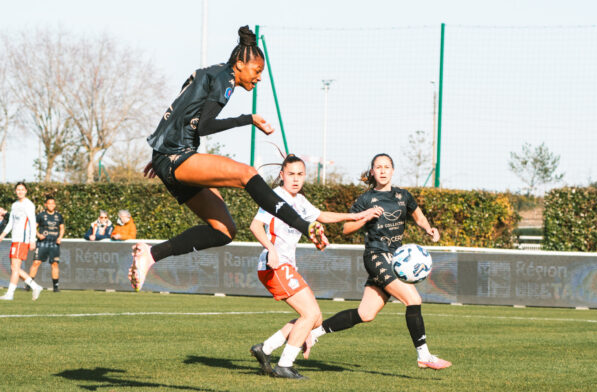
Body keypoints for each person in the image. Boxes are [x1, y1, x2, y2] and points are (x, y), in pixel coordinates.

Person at [129, 26, 327, 292]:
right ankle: (305, 225)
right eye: (256, 72)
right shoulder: (226, 81)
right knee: (246, 173)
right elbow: (204, 126)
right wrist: (249, 119)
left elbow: (181, 107)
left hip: (171, 155)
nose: (258, 79)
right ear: (240, 64)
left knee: (224, 231)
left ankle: (149, 255)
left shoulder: (215, 72)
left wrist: (161, 147)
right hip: (175, 156)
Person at [306, 154, 452, 370]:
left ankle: (312, 334)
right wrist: (365, 216)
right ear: (372, 172)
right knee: (413, 299)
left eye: (387, 167)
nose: (383, 171)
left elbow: (418, 216)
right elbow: (346, 229)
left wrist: (428, 229)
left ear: (393, 170)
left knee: (366, 314)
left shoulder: (403, 196)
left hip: (394, 259)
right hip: (376, 256)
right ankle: (424, 355)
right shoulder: (365, 200)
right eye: (378, 167)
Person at [248, 155, 380, 379]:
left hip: (286, 266)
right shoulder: (275, 197)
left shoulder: (300, 200)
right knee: (310, 314)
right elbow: (255, 225)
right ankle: (284, 365)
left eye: (300, 174)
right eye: (291, 174)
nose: (296, 179)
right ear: (282, 176)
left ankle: (266, 348)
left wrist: (357, 215)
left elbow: (322, 216)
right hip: (274, 265)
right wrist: (271, 249)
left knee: (314, 319)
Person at [0, 182, 43, 301]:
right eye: (18, 189)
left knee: (15, 267)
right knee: (15, 268)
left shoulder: (29, 205)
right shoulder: (14, 205)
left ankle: (10, 294)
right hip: (15, 239)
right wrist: (2, 235)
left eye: (22, 189)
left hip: (22, 240)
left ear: (26, 191)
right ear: (15, 191)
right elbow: (11, 223)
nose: (20, 191)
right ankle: (35, 286)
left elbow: (32, 223)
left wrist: (32, 240)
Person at [29, 197, 64, 292]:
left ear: (55, 205)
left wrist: (60, 237)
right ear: (46, 205)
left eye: (53, 203)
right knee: (36, 262)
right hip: (42, 243)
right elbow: (33, 227)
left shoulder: (59, 216)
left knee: (55, 264)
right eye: (49, 203)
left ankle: (55, 287)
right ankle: (29, 285)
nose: (51, 205)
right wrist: (38, 235)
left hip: (54, 243)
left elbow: (62, 228)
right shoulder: (41, 215)